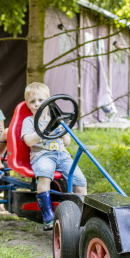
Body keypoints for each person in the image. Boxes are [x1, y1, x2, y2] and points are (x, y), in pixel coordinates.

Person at [21, 82, 87, 231]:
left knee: (80, 181)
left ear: (48, 101)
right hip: (43, 156)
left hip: (62, 155)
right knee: (44, 174)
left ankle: (82, 216)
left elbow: (67, 142)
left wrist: (63, 129)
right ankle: (47, 214)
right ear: (27, 105)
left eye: (41, 100)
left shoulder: (57, 119)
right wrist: (45, 127)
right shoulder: (29, 121)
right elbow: (29, 141)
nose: (37, 104)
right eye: (32, 101)